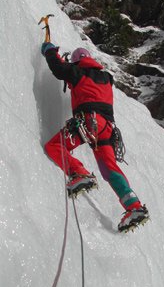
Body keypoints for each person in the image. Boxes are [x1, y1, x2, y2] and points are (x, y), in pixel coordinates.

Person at [41, 42, 149, 232]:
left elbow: (59, 69)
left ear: (76, 63)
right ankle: (134, 207)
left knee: (54, 146)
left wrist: (50, 51)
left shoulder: (77, 72)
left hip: (89, 122)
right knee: (109, 170)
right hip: (106, 129)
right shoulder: (106, 78)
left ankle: (79, 172)